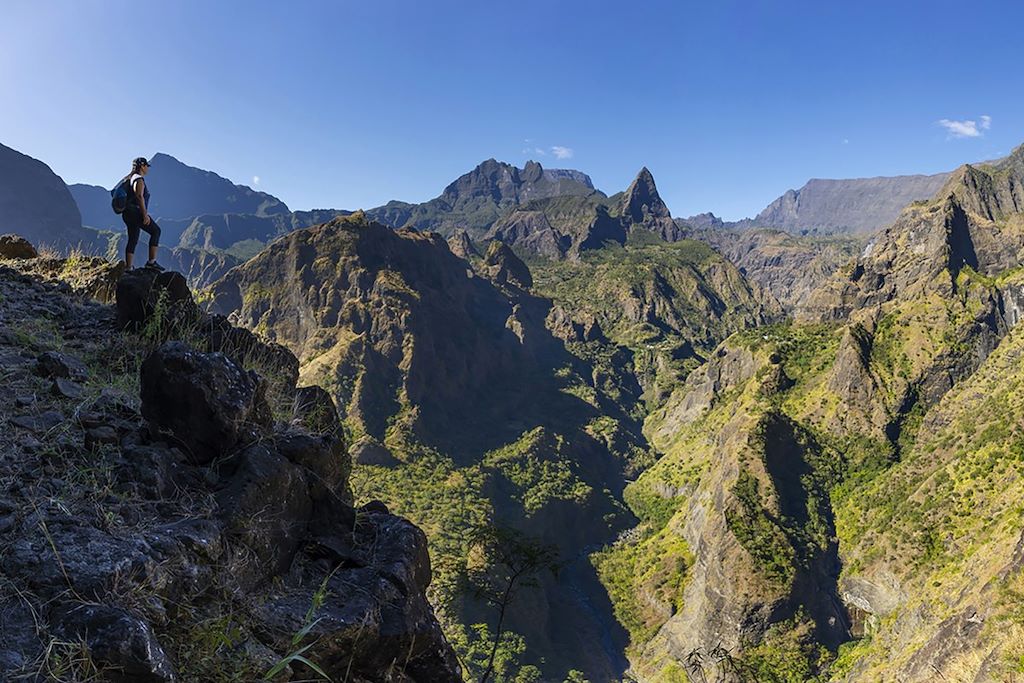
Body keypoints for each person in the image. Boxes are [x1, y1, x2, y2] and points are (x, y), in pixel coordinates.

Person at [122, 157, 163, 270]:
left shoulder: (130, 178)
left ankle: (129, 267)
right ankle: (151, 262)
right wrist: (144, 214)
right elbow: (139, 196)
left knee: (133, 238)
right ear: (142, 166)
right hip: (135, 212)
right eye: (146, 166)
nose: (147, 169)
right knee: (156, 231)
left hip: (127, 213)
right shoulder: (138, 179)